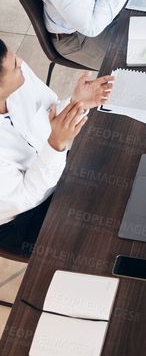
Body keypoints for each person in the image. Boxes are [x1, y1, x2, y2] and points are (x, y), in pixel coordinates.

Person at [0, 39, 113, 255]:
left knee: (119, 178)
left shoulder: (21, 77)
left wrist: (75, 103)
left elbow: (50, 114)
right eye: (14, 66)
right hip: (24, 217)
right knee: (102, 241)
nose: (21, 62)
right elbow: (26, 196)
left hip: (52, 165)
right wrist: (55, 144)